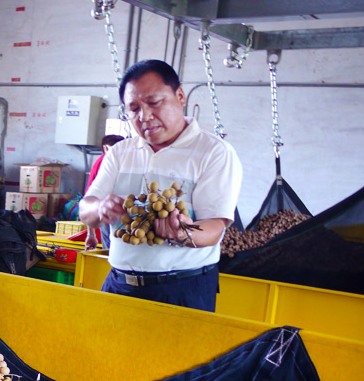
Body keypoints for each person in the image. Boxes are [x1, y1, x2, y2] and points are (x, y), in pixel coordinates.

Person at [78, 59, 242, 312]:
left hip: (182, 290)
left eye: (154, 103)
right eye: (133, 109)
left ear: (179, 96)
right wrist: (100, 207)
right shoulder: (120, 152)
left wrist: (181, 232)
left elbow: (214, 229)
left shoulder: (214, 152)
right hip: (120, 285)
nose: (144, 116)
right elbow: (85, 209)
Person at [84, 133, 125, 251]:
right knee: (111, 252)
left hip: (124, 213)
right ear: (106, 148)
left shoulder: (123, 162)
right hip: (109, 214)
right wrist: (90, 234)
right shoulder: (104, 163)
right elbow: (90, 198)